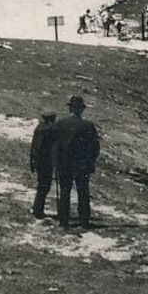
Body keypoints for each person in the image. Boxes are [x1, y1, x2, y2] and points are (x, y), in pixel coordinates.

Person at [51, 95, 102, 227]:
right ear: (82, 110)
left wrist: (56, 162)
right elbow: (95, 147)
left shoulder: (61, 124)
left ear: (70, 109)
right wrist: (91, 162)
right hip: (82, 165)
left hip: (64, 164)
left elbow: (55, 145)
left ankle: (63, 220)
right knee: (83, 192)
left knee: (65, 191)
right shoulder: (88, 126)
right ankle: (84, 220)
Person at [29, 110, 59, 219]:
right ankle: (38, 209)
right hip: (44, 162)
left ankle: (37, 208)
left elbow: (33, 146)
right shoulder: (47, 130)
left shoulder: (39, 128)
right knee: (44, 186)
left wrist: (32, 161)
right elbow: (42, 147)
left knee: (42, 185)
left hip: (39, 161)